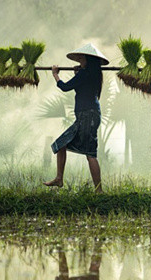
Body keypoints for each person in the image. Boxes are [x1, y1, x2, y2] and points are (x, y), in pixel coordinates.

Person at [44, 43, 108, 193]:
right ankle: (60, 179)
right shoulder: (92, 74)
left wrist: (55, 74)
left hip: (87, 115)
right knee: (65, 145)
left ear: (88, 59)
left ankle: (98, 191)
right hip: (89, 115)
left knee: (89, 153)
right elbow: (81, 87)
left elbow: (65, 87)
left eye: (81, 57)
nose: (79, 59)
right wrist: (77, 74)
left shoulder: (85, 74)